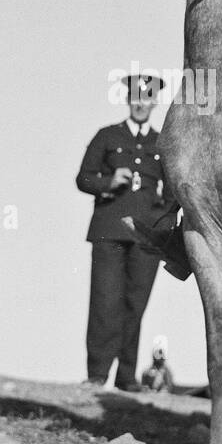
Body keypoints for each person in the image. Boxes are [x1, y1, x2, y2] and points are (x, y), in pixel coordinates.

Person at [75, 74, 175, 390]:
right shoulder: (107, 136)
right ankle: (97, 374)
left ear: (154, 102)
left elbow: (173, 190)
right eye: (136, 97)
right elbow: (83, 178)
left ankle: (126, 376)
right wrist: (107, 182)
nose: (141, 103)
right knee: (105, 302)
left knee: (136, 305)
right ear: (128, 100)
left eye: (147, 98)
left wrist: (161, 223)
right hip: (109, 230)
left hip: (145, 238)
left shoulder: (163, 144)